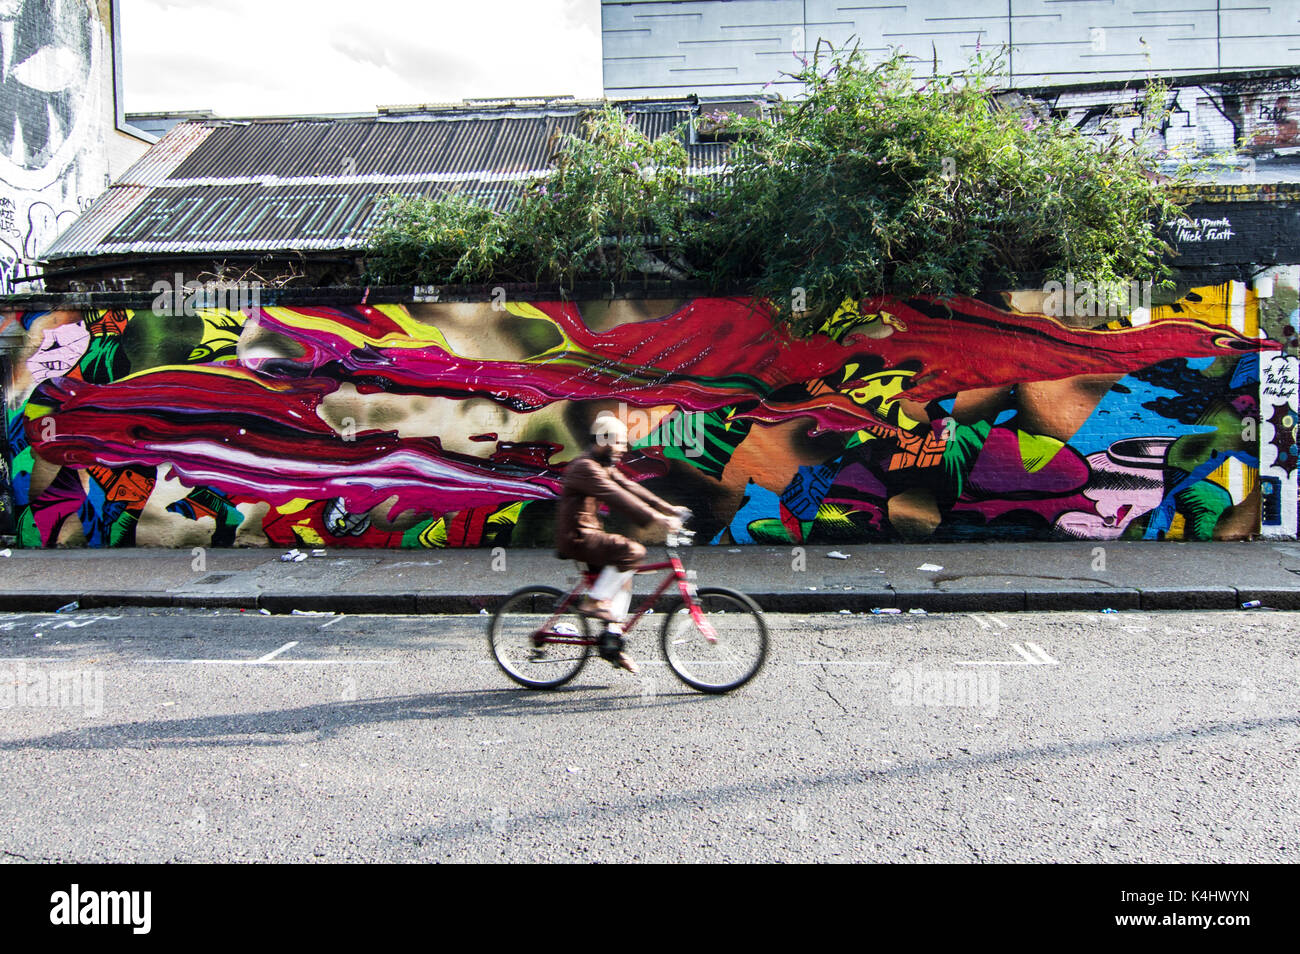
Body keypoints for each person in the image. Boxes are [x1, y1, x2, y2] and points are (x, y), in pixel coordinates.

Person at [555, 412, 688, 673]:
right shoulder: (586, 467)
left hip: (588, 534)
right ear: (603, 440)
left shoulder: (601, 465)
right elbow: (617, 497)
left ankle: (612, 642)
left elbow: (631, 487)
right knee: (633, 551)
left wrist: (668, 509)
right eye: (618, 442)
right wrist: (658, 519)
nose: (624, 448)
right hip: (578, 537)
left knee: (624, 576)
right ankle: (592, 602)